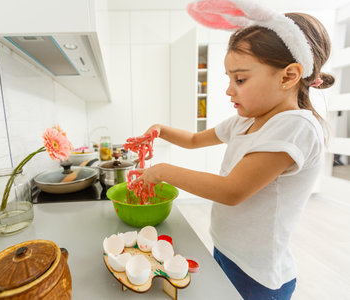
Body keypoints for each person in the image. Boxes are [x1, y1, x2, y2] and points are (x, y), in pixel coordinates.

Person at [131, 1, 335, 299]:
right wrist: (160, 129)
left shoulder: (296, 126)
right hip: (228, 250)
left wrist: (161, 171)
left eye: (240, 79)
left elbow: (232, 191)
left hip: (259, 276)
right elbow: (193, 140)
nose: (229, 89)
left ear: (289, 76)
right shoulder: (244, 122)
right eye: (229, 79)